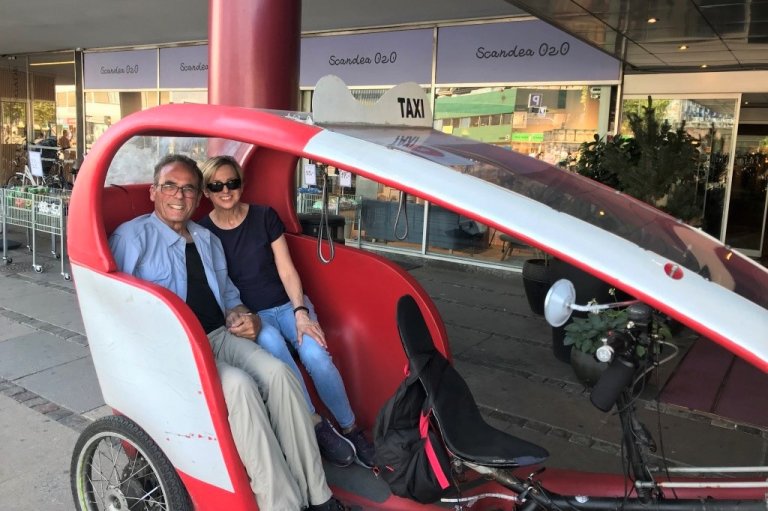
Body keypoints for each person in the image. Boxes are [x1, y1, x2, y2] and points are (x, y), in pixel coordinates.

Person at [109, 154, 346, 511]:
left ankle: (318, 496)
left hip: (220, 335)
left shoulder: (206, 238)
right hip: (176, 350)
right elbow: (117, 307)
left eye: (188, 188)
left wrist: (243, 316)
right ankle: (280, 504)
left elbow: (229, 296)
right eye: (170, 186)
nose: (180, 195)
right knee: (239, 386)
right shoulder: (133, 237)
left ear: (196, 196)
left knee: (281, 374)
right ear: (154, 193)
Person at [198, 155, 375, 469]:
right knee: (276, 350)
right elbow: (216, 284)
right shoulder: (204, 232)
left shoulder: (264, 217)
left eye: (232, 183)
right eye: (217, 185)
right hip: (252, 315)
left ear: (241, 184)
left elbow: (287, 270)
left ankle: (350, 427)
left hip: (286, 305)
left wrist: (300, 311)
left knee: (318, 356)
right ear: (207, 191)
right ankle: (315, 424)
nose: (226, 190)